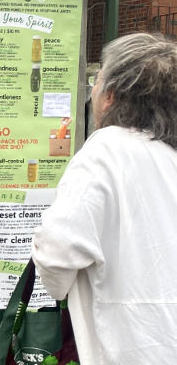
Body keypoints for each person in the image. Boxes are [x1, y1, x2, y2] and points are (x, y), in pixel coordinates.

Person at [31, 33, 177, 364]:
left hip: (128, 345)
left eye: (96, 81)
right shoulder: (169, 154)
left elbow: (57, 253)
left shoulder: (105, 149)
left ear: (110, 96)